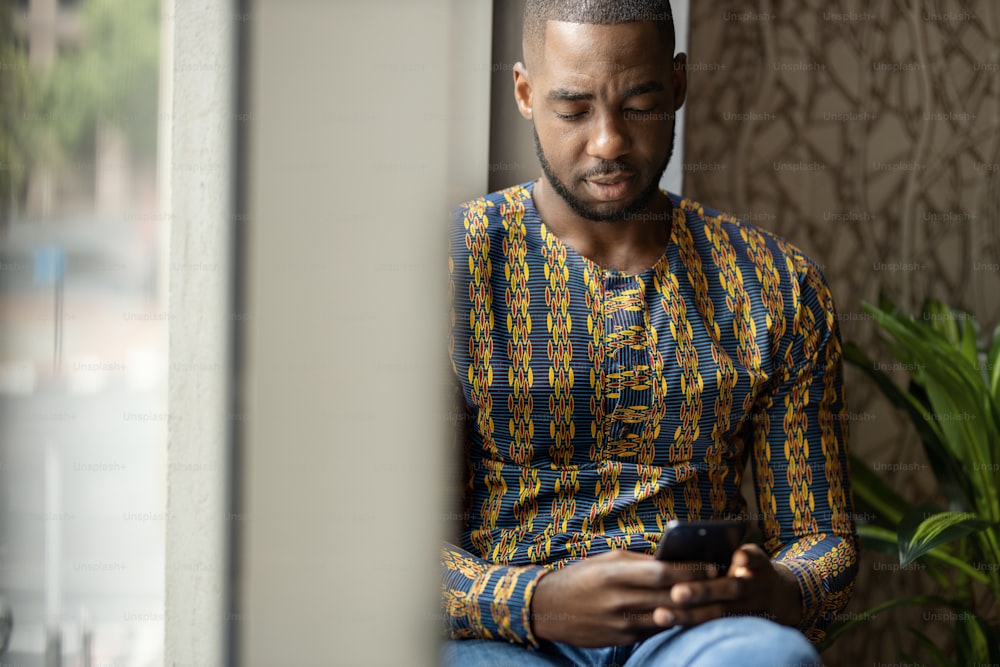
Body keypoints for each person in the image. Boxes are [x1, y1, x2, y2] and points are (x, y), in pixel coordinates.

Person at [440, 1, 858, 665]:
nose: (608, 141)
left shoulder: (777, 285)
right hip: (502, 636)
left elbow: (821, 535)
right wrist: (535, 600)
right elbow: (386, 549)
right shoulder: (447, 268)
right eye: (574, 108)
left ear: (678, 86)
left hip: (698, 633)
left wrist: (775, 586)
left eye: (638, 104)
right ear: (525, 92)